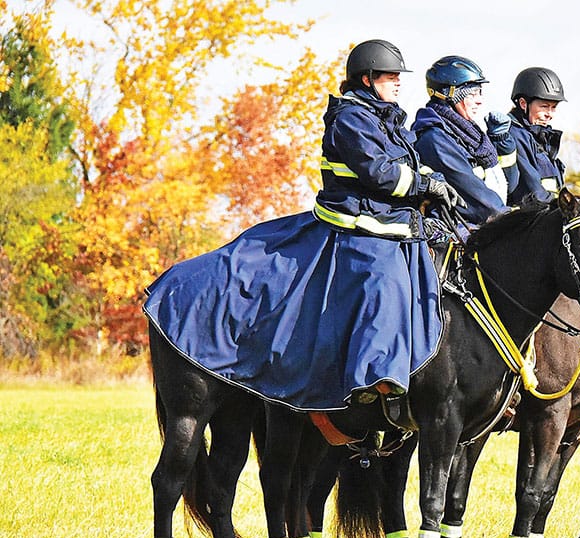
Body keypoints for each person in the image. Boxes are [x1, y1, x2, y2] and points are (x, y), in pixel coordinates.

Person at [143, 40, 460, 412]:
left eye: (397, 76)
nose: (397, 82)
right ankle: (373, 376)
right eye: (390, 76)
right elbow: (379, 173)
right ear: (367, 78)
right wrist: (423, 185)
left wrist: (435, 182)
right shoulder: (351, 119)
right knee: (383, 280)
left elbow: (409, 164)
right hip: (360, 227)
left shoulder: (388, 120)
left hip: (392, 223)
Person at [412, 55, 518, 227]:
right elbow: (478, 200)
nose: (479, 100)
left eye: (480, 92)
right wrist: (515, 222)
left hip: (483, 226)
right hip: (458, 231)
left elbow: (510, 187)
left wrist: (501, 142)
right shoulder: (434, 139)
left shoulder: (470, 134)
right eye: (472, 93)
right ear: (449, 95)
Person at [506, 67, 567, 206]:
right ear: (523, 104)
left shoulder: (539, 138)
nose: (550, 114)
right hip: (529, 216)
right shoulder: (514, 135)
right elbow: (533, 191)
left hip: (547, 213)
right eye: (544, 106)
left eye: (554, 107)